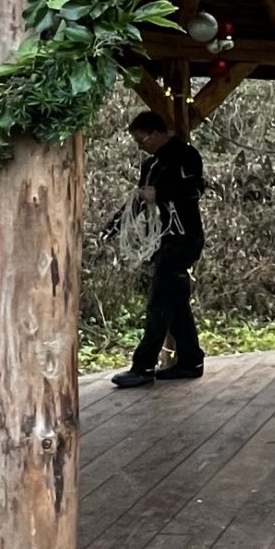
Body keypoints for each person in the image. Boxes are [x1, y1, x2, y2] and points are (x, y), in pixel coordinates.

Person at [111, 109, 206, 388]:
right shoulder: (150, 165)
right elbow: (140, 201)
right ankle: (190, 361)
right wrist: (114, 225)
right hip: (163, 239)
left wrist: (161, 194)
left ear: (156, 133)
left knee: (159, 302)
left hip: (184, 237)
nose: (141, 146)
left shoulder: (186, 155)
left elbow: (195, 189)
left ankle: (143, 366)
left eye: (142, 140)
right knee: (175, 302)